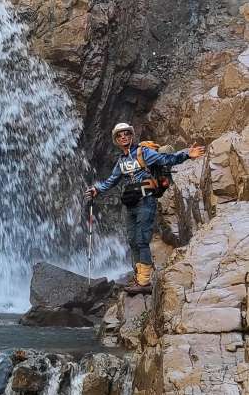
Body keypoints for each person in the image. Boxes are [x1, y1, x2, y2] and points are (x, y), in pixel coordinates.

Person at [86, 122, 206, 295]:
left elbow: (167, 159)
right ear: (116, 140)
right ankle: (138, 277)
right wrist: (97, 189)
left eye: (127, 133)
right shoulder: (121, 161)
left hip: (145, 201)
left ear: (131, 135)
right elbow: (112, 181)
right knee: (132, 240)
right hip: (130, 205)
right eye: (120, 135)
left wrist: (187, 154)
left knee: (142, 240)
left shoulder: (143, 153)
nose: (124, 137)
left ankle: (144, 282)